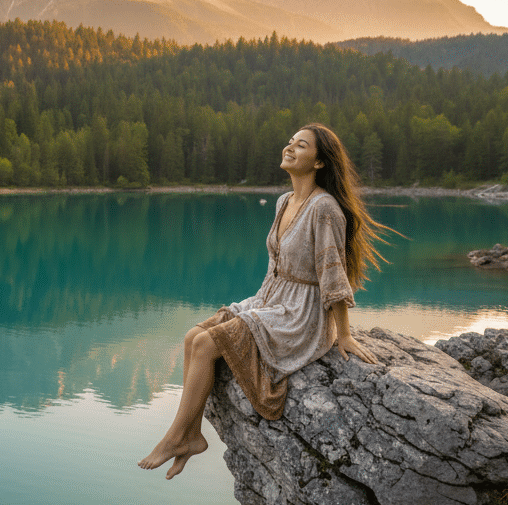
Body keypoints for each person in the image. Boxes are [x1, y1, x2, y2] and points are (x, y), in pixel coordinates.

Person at [138, 123, 392, 479]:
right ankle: (191, 435)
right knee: (193, 337)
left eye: (301, 146)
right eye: (290, 142)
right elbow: (276, 266)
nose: (289, 148)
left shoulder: (324, 209)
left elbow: (333, 276)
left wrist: (343, 334)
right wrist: (256, 308)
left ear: (319, 162)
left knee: (210, 343)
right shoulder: (284, 201)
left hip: (303, 314)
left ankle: (174, 437)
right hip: (273, 299)